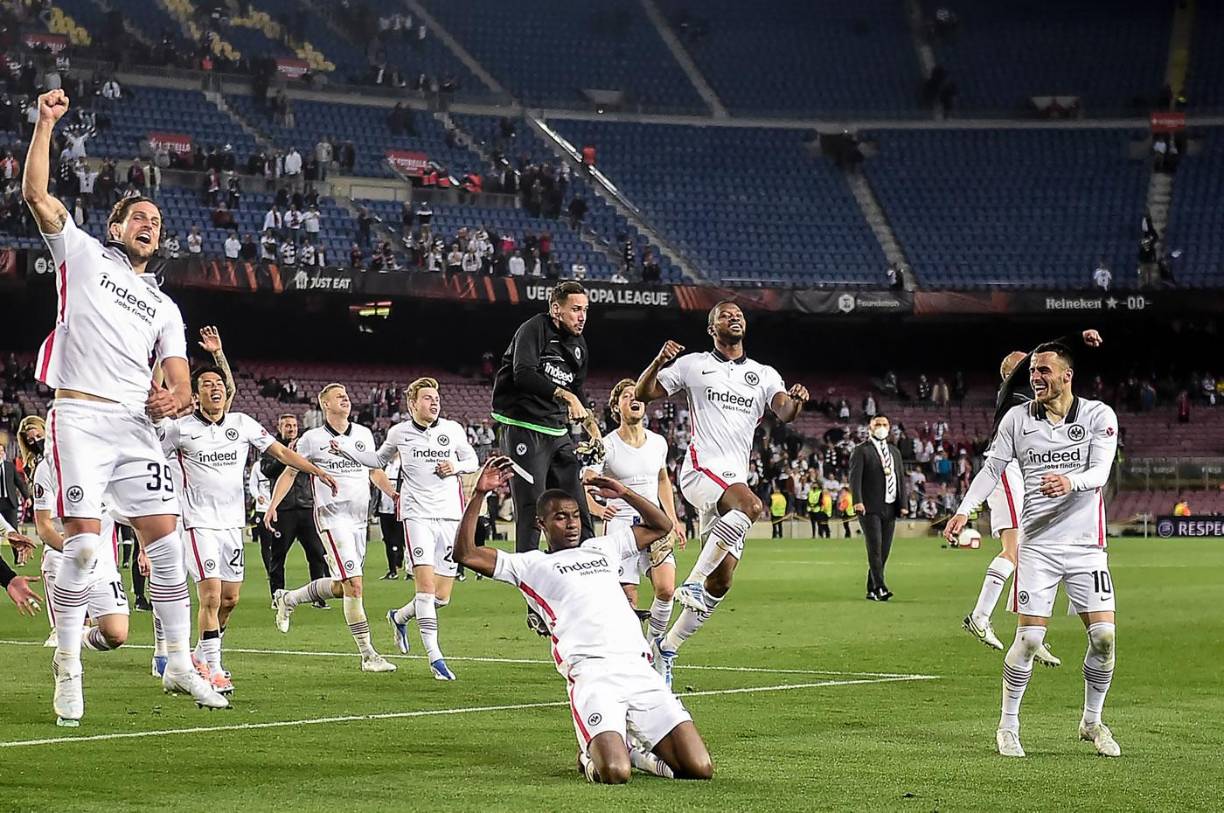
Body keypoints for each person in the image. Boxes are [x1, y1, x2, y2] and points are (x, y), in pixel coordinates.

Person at [23, 88, 226, 722]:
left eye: (158, 221)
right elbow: (35, 195)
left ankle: (176, 664)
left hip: (136, 426)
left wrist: (177, 396)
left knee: (166, 546)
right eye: (139, 215)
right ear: (115, 228)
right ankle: (67, 666)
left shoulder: (166, 307)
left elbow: (179, 374)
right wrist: (44, 124)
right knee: (82, 549)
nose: (150, 224)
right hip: (80, 416)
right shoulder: (82, 254)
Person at [455, 458, 713, 784]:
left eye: (576, 515)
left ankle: (637, 754)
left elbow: (661, 527)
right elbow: (465, 553)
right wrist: (478, 495)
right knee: (615, 773)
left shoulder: (601, 548)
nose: (572, 523)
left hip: (638, 670)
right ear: (540, 524)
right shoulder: (531, 565)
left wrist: (624, 493)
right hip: (593, 677)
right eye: (561, 518)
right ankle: (591, 756)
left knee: (700, 768)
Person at [946, 342, 1121, 759]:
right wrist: (964, 511)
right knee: (1028, 639)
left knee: (1105, 638)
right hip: (1038, 546)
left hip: (1086, 547)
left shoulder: (1099, 415)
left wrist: (1070, 481)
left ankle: (1091, 721)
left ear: (1066, 375)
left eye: (1044, 371)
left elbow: (1100, 471)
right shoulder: (1017, 419)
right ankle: (1008, 726)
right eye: (1032, 373)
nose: (1036, 378)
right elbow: (991, 470)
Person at [634, 301, 808, 677]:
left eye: (739, 315)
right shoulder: (694, 364)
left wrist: (796, 400)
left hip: (734, 479)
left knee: (723, 579)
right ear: (711, 327)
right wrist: (657, 361)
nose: (735, 318)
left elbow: (785, 412)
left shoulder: (763, 375)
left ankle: (665, 649)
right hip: (701, 470)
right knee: (752, 507)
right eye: (725, 315)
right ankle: (691, 583)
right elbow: (644, 393)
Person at [159, 365, 336, 695]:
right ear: (195, 397)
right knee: (210, 594)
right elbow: (151, 460)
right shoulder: (179, 430)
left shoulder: (242, 425)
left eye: (219, 384)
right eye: (207, 385)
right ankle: (213, 669)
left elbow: (282, 452)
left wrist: (316, 472)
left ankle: (199, 654)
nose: (215, 389)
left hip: (231, 526)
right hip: (197, 524)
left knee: (230, 599)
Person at [962, 329, 1102, 658]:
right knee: (1013, 551)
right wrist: (1077, 338)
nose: (1034, 373)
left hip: (1021, 473)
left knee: (1029, 554)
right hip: (1006, 470)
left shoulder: (1033, 404)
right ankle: (980, 616)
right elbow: (1043, 353)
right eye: (1028, 368)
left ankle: (1031, 634)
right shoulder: (1011, 395)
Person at [331, 377, 478, 680]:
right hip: (417, 516)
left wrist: (457, 468)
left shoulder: (452, 430)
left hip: (450, 516)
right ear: (412, 404)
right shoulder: (399, 433)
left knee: (442, 597)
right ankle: (435, 658)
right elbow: (377, 460)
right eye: (426, 398)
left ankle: (399, 618)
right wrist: (346, 450)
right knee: (425, 591)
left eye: (436, 397)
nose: (434, 402)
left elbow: (472, 459)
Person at [490, 282, 601, 632]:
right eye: (575, 309)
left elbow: (578, 393)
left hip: (557, 431)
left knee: (577, 508)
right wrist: (564, 395)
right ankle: (533, 603)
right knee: (531, 508)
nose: (581, 316)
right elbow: (523, 373)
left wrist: (592, 426)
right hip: (522, 426)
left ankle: (588, 593)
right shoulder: (534, 329)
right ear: (556, 309)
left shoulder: (579, 346)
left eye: (585, 310)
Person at [268, 385, 398, 672]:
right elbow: (290, 471)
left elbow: (374, 471)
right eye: (339, 396)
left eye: (347, 395)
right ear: (324, 403)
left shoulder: (363, 434)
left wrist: (393, 494)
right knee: (355, 584)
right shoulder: (311, 439)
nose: (346, 399)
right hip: (331, 518)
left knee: (343, 586)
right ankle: (368, 655)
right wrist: (273, 504)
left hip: (358, 520)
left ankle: (288, 598)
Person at [583, 379, 683, 656]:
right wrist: (599, 509)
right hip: (622, 529)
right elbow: (585, 482)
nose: (633, 399)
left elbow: (663, 479)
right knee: (628, 600)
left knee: (666, 589)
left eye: (637, 395)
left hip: (655, 525)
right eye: (626, 396)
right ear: (617, 406)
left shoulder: (658, 443)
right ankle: (632, 654)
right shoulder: (606, 445)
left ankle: (653, 646)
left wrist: (673, 519)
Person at [259, 413, 331, 601]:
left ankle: (318, 596)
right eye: (287, 426)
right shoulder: (272, 448)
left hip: (307, 506)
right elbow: (267, 471)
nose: (292, 429)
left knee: (316, 553)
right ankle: (277, 595)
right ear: (279, 427)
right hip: (284, 510)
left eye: (294, 425)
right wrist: (286, 456)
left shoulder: (305, 446)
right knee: (278, 555)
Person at [849, 415, 908, 601]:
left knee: (884, 550)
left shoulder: (894, 452)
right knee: (874, 547)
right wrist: (857, 500)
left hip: (890, 505)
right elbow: (855, 478)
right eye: (878, 424)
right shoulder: (861, 450)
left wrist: (903, 504)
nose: (881, 427)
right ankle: (881, 587)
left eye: (884, 424)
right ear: (870, 428)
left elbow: (900, 478)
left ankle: (871, 588)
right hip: (869, 506)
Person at [376, 458, 404, 580]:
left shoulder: (402, 464)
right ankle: (392, 570)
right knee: (387, 540)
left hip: (398, 509)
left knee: (400, 540)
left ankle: (406, 567)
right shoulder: (384, 466)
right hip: (384, 508)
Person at [0, 444, 28, 531]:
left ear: (4, 452)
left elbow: (19, 482)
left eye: (1, 451)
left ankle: (16, 545)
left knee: (13, 529)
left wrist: (26, 497)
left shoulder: (10, 466)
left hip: (9, 502)